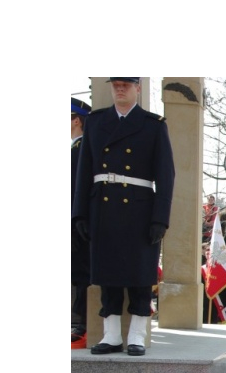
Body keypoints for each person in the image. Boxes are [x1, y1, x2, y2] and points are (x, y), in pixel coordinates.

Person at [72, 78, 175, 357]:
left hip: (140, 209)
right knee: (107, 274)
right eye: (116, 84)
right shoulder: (95, 122)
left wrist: (160, 218)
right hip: (102, 207)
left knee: (140, 276)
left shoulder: (153, 125)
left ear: (137, 88)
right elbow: (84, 170)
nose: (120, 89)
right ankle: (112, 335)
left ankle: (137, 335)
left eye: (126, 85)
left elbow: (166, 176)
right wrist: (79, 211)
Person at [71, 97, 92, 349]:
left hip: (75, 222)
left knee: (80, 274)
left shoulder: (80, 149)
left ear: (76, 120)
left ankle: (80, 324)